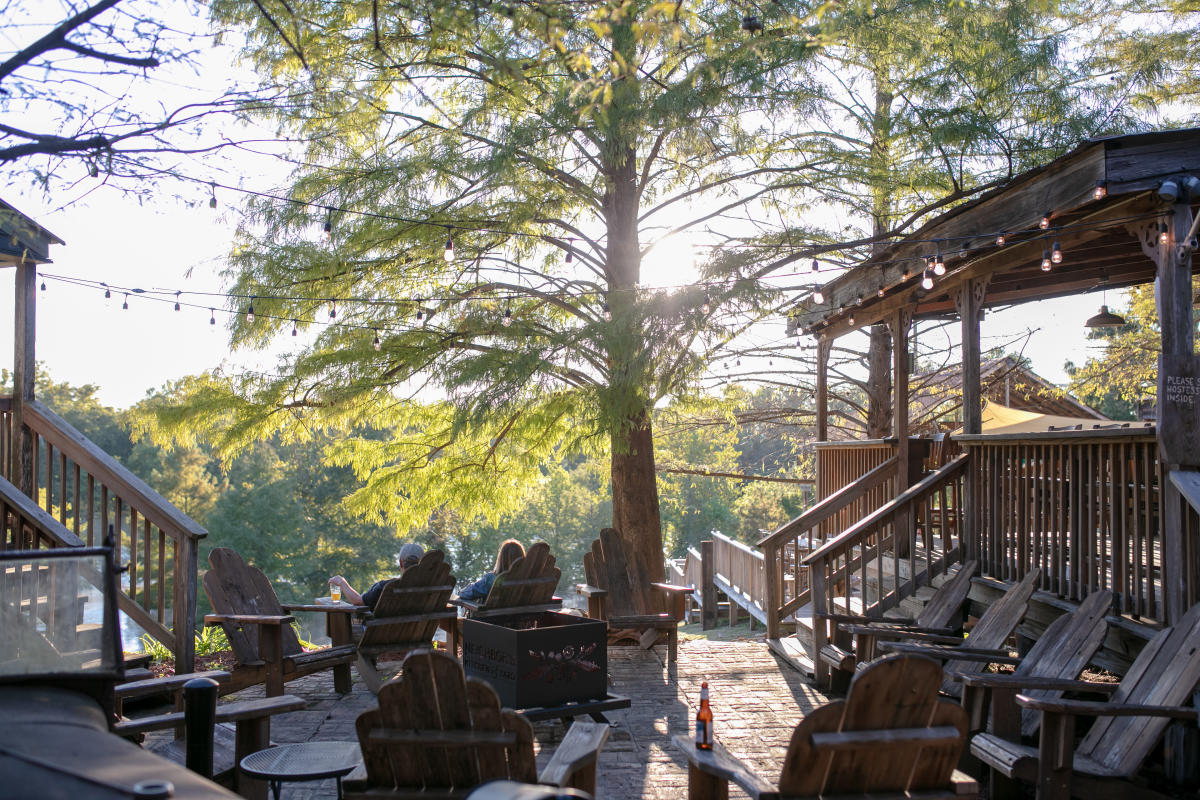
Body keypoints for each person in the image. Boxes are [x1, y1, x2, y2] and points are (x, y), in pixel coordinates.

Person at [329, 542, 424, 611]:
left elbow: (357, 601)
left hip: (384, 636)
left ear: (400, 563)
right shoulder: (430, 589)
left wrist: (342, 582)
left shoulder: (386, 587)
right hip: (418, 635)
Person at [457, 539, 525, 603]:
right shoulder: (528, 580)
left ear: (501, 559)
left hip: (492, 615)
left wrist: (460, 592)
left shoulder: (491, 579)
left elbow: (465, 594)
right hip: (520, 615)